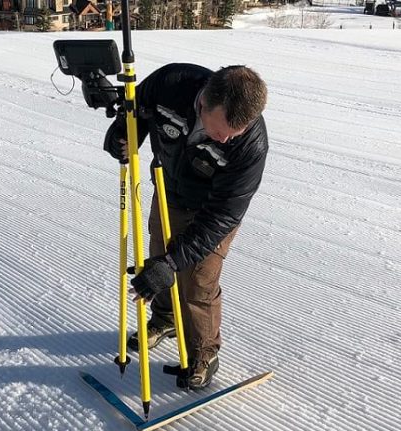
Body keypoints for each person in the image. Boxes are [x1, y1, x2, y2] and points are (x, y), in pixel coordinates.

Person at [103, 63, 268, 390]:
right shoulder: (171, 83)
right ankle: (165, 320)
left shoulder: (250, 145)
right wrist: (123, 131)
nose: (226, 138)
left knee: (198, 278)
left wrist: (174, 262)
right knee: (157, 256)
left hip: (211, 210)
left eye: (235, 133)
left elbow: (223, 215)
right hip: (168, 188)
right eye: (221, 130)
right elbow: (138, 108)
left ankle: (204, 351)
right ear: (203, 101)